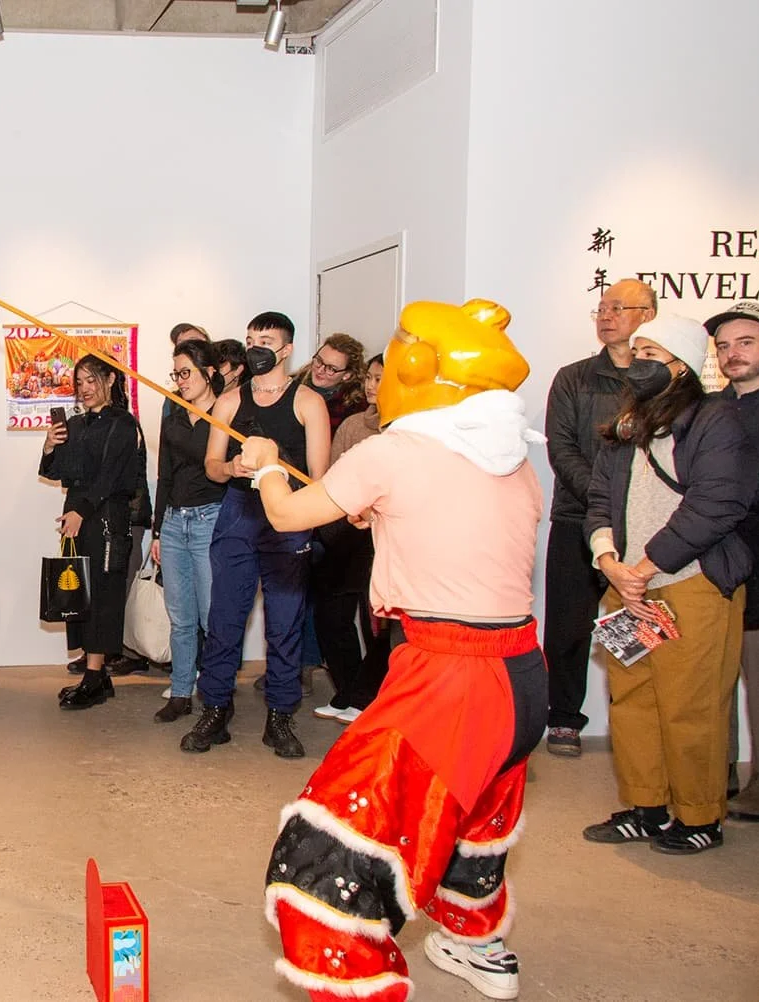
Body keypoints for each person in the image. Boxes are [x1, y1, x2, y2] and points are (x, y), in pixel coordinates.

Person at [251, 299, 545, 1002]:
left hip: (450, 677)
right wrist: (374, 505)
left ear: (417, 366)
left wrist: (266, 464)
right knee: (472, 819)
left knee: (336, 843)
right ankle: (476, 944)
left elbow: (290, 513)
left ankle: (360, 986)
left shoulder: (395, 450)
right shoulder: (511, 459)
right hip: (521, 677)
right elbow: (449, 523)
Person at [582, 313, 758, 855]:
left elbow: (720, 503)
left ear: (680, 365)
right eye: (637, 354)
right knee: (631, 700)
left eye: (652, 354)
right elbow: (598, 501)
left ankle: (699, 817)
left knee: (692, 706)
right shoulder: (628, 424)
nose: (638, 363)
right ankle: (647, 807)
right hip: (627, 588)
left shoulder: (716, 421)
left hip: (691, 585)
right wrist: (609, 559)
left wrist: (647, 565)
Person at [180, 311, 330, 758]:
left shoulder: (309, 403)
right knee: (225, 618)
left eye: (265, 339)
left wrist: (274, 467)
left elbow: (319, 476)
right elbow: (213, 466)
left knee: (284, 623)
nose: (255, 346)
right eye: (249, 339)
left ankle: (280, 716)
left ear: (286, 349)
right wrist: (233, 467)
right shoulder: (229, 402)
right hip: (240, 516)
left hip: (288, 519)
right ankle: (216, 708)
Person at [542, 278, 654, 756]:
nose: (606, 316)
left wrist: (629, 509)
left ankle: (639, 722)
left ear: (647, 315)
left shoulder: (666, 380)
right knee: (568, 624)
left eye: (618, 307)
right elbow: (561, 447)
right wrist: (605, 502)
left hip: (646, 528)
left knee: (640, 626)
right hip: (576, 519)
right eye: (601, 308)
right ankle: (564, 718)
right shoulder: (573, 377)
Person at [40, 354, 140, 710]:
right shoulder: (78, 424)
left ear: (110, 379)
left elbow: (112, 476)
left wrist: (81, 511)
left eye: (91, 380)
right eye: (79, 382)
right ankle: (95, 673)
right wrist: (50, 445)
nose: (84, 388)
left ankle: (96, 676)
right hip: (78, 517)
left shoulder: (124, 424)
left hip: (107, 518)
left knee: (102, 594)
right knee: (79, 593)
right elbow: (58, 472)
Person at [311, 353, 391, 723]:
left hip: (385, 536)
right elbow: (333, 475)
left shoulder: (407, 430)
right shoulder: (355, 424)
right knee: (331, 616)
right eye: (370, 378)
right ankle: (349, 690)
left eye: (380, 378)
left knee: (378, 625)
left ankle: (365, 696)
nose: (371, 386)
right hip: (345, 531)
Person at [150, 340, 226, 722]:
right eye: (175, 373)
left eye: (186, 373)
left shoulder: (226, 416)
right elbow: (164, 477)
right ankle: (181, 693)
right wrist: (157, 532)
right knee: (180, 618)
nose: (179, 381)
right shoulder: (173, 419)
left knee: (213, 618)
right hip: (174, 523)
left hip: (211, 520)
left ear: (209, 373)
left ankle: (216, 699)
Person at [709, 299, 759, 821]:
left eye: (745, 342)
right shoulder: (711, 409)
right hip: (715, 567)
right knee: (712, 682)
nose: (732, 354)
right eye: (723, 346)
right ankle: (711, 778)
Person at [300, 332, 368, 433]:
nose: (320, 370)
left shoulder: (355, 407)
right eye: (319, 360)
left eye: (331, 368)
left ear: (347, 375)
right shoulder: (291, 386)